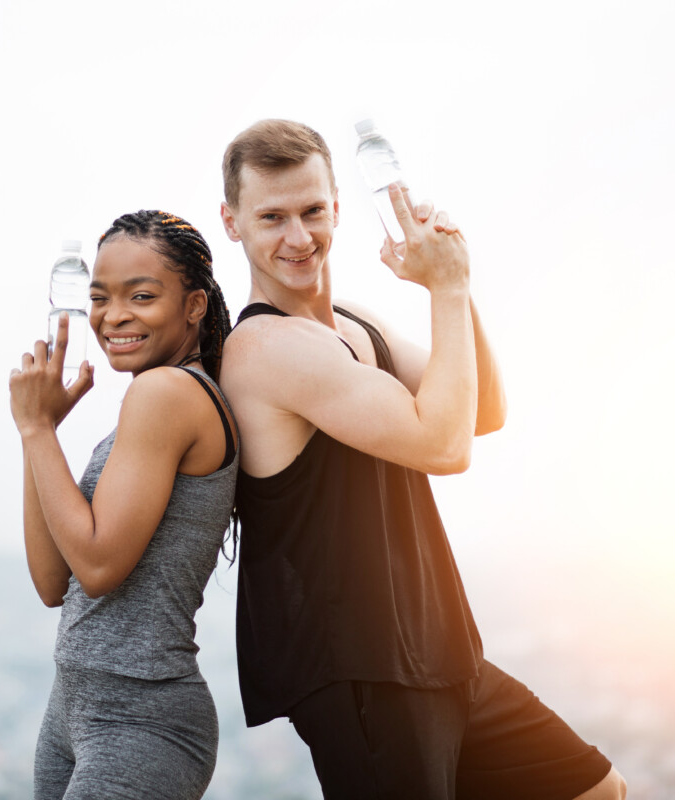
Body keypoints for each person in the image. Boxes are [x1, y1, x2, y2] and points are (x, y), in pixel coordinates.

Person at [217, 119, 627, 799]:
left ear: (339, 208)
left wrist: (451, 281)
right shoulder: (265, 350)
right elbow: (444, 445)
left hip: (438, 649)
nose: (298, 236)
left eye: (313, 211)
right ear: (232, 223)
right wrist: (447, 292)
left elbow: (482, 411)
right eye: (272, 218)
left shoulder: (349, 320)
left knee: (596, 790)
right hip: (363, 671)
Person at [8, 210, 238, 800]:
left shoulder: (167, 393)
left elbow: (100, 566)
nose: (114, 316)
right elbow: (53, 581)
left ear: (194, 306)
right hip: (73, 705)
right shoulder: (150, 401)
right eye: (100, 298)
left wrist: (35, 431)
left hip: (142, 718)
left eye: (141, 295)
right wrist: (44, 437)